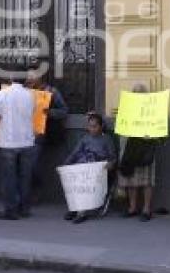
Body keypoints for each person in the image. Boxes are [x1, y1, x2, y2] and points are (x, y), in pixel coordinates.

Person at [0, 72, 36, 220]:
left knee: (9, 178)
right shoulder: (31, 95)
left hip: (8, 141)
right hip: (27, 141)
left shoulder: (3, 93)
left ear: (11, 78)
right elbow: (33, 114)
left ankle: (10, 210)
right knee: (25, 177)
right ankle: (24, 208)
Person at [63, 112, 117, 224]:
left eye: (94, 126)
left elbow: (113, 158)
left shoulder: (107, 139)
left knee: (86, 181)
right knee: (74, 179)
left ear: (101, 127)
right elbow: (75, 153)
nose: (91, 129)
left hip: (99, 171)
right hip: (84, 166)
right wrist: (66, 164)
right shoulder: (85, 138)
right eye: (90, 126)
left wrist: (110, 164)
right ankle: (74, 208)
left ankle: (81, 213)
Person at [25, 70, 69, 205]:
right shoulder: (24, 92)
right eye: (28, 77)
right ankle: (24, 194)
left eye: (33, 77)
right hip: (22, 134)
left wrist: (49, 112)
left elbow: (64, 111)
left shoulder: (52, 91)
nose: (30, 80)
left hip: (39, 134)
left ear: (40, 78)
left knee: (32, 166)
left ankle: (35, 192)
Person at [118, 84, 158, 222]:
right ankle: (132, 208)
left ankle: (146, 209)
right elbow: (122, 128)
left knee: (147, 180)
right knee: (131, 178)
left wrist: (151, 134)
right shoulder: (126, 109)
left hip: (145, 147)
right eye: (135, 93)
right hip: (130, 147)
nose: (137, 95)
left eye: (140, 93)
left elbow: (158, 128)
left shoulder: (152, 110)